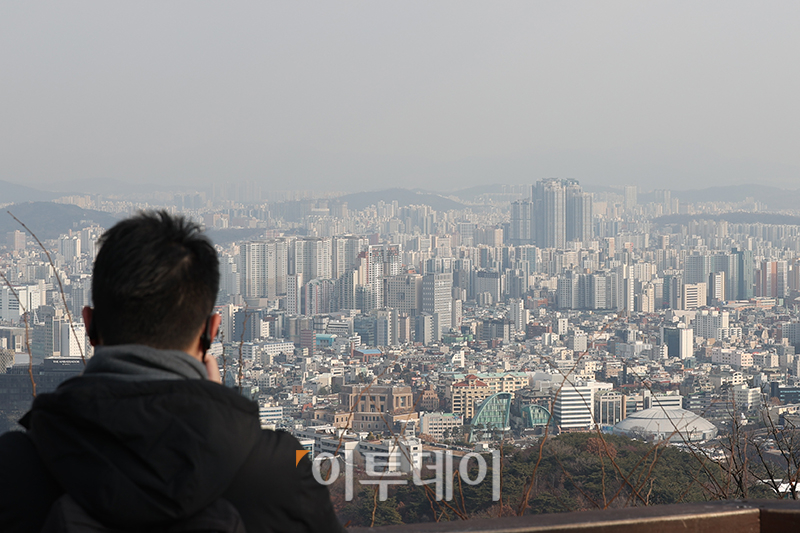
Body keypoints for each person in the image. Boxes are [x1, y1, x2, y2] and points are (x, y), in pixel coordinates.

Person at [0, 211, 345, 532]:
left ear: (89, 324)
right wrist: (214, 408)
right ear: (212, 330)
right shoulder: (278, 473)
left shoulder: (15, 470)